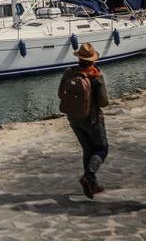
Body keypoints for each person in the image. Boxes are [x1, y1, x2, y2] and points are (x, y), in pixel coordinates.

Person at [59, 42, 109, 198]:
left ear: (78, 58)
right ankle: (89, 176)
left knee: (87, 149)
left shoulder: (69, 72)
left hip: (73, 118)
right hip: (92, 118)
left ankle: (91, 186)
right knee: (102, 148)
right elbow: (103, 102)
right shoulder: (95, 75)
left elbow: (61, 94)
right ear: (92, 60)